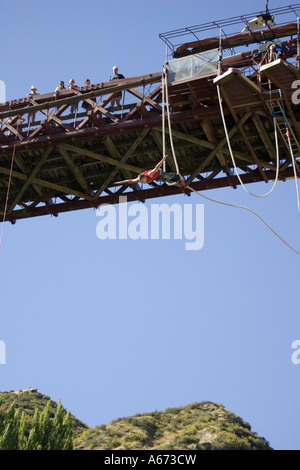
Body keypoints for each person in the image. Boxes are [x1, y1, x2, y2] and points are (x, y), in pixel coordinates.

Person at [114, 155, 186, 186]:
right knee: (165, 181)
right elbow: (129, 181)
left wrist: (163, 159)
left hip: (159, 173)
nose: (143, 182)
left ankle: (177, 177)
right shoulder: (139, 179)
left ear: (144, 177)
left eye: (143, 181)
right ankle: (175, 180)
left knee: (167, 176)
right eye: (142, 182)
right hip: (156, 178)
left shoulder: (149, 174)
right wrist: (119, 182)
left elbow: (156, 167)